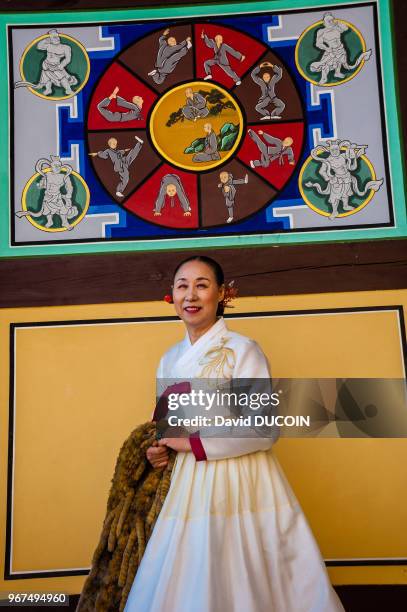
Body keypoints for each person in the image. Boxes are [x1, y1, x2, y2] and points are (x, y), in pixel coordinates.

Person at [123, 255, 346, 612]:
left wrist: (194, 442)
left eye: (202, 285)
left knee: (244, 571)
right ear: (172, 296)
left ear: (222, 294)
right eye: (182, 286)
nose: (190, 295)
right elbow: (168, 425)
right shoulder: (169, 358)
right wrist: (158, 450)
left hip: (241, 477)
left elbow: (264, 428)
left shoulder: (244, 351)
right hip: (186, 482)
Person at [15, 29, 78, 96]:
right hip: (46, 64)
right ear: (50, 39)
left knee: (62, 78)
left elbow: (68, 59)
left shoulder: (66, 47)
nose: (57, 39)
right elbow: (39, 47)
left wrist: (62, 65)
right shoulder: (48, 45)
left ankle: (68, 90)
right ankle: (48, 89)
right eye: (54, 37)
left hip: (57, 66)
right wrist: (46, 40)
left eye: (57, 37)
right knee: (46, 78)